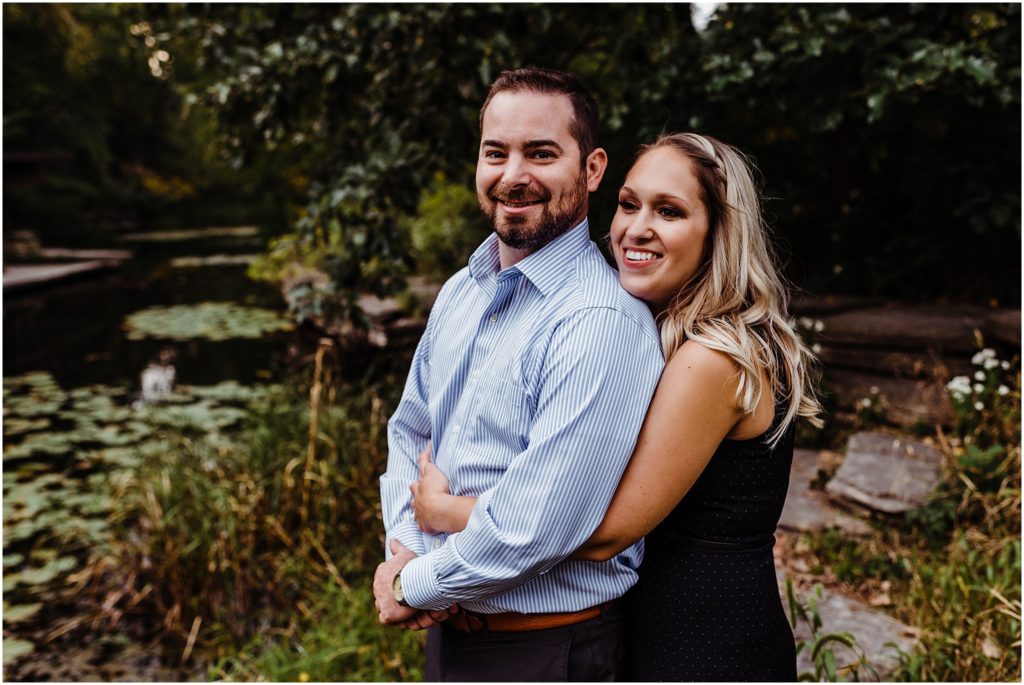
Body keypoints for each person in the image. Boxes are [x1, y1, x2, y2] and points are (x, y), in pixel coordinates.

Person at [411, 132, 824, 681]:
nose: (636, 228)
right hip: (668, 623)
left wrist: (447, 514)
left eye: (669, 211)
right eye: (629, 204)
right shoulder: (682, 334)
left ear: (720, 232)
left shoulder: (711, 359)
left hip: (703, 642)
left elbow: (605, 532)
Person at [374, 67, 664, 681]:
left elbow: (537, 523)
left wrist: (414, 583)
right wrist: (404, 550)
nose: (513, 176)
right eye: (495, 153)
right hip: (453, 638)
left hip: (549, 651)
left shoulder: (599, 319)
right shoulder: (462, 290)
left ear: (591, 169)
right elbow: (409, 433)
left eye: (540, 153)